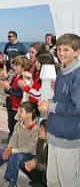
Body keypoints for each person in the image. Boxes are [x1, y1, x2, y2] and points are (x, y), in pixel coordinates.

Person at [38, 33, 80, 187]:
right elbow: (62, 101)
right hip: (54, 135)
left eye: (66, 50)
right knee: (53, 181)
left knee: (68, 182)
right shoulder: (62, 71)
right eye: (59, 49)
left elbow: (77, 107)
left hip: (68, 138)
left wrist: (50, 106)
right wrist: (49, 102)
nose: (61, 53)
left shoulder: (77, 74)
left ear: (77, 52)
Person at [0, 56, 31, 142]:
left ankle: (15, 141)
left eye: (17, 65)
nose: (14, 67)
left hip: (17, 107)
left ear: (23, 67)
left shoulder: (23, 79)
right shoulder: (15, 76)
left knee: (17, 125)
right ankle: (11, 138)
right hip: (11, 104)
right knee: (11, 124)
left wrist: (8, 88)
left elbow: (20, 93)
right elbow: (11, 90)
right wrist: (6, 87)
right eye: (14, 65)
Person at [23, 119, 48, 187]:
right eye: (40, 128)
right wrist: (33, 161)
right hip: (40, 166)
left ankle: (42, 184)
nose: (39, 130)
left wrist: (35, 164)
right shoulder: (40, 140)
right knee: (23, 163)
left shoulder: (52, 147)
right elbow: (38, 156)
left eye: (42, 129)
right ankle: (36, 181)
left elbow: (48, 166)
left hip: (46, 171)